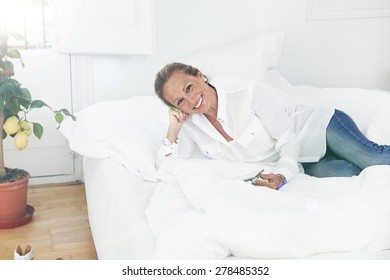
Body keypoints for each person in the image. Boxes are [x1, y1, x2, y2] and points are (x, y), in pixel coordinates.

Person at [154, 62, 390, 190]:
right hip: (303, 161)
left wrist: (282, 175)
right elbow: (167, 168)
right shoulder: (191, 127)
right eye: (180, 101)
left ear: (200, 75)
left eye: (188, 88)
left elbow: (288, 140)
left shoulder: (249, 93)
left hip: (319, 127)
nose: (191, 100)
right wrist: (173, 129)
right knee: (349, 174)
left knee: (373, 158)